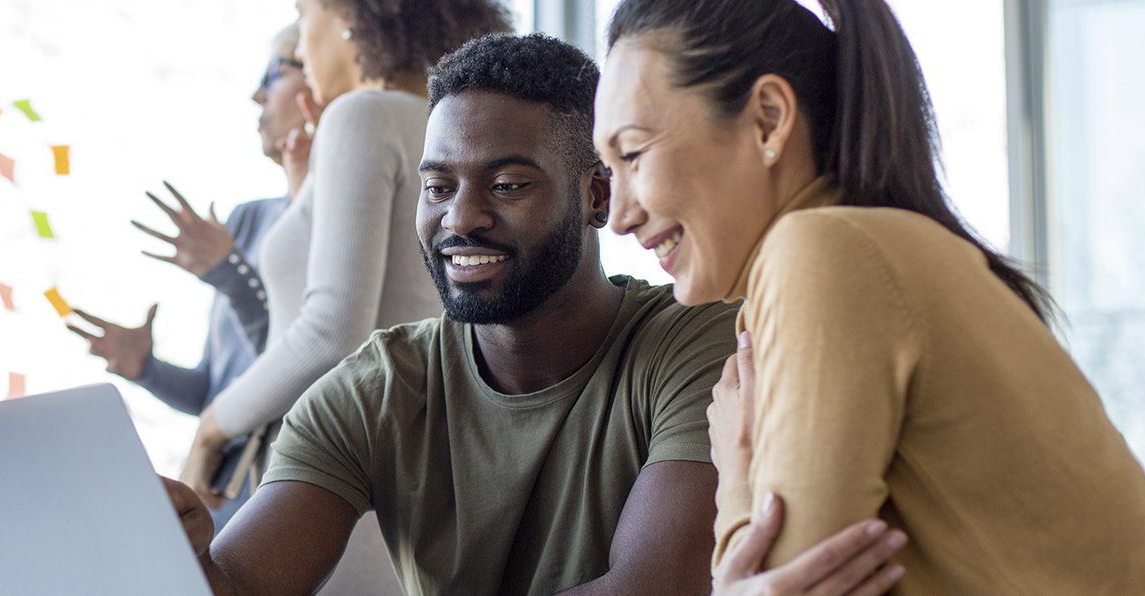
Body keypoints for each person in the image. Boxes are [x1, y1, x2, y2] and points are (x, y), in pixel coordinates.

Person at [165, 33, 909, 596]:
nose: (462, 218)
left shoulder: (699, 340)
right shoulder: (377, 386)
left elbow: (647, 590)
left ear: (596, 195)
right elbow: (242, 586)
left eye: (508, 184)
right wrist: (184, 553)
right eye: (437, 187)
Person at [596, 0, 1145, 594]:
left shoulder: (822, 252)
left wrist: (737, 470)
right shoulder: (873, 247)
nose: (620, 216)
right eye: (609, 171)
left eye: (633, 153)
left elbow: (783, 580)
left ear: (767, 120)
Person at [179, 0, 513, 592]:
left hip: (333, 491)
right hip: (418, 484)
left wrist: (212, 424)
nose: (301, 38)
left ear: (353, 8)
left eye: (304, 12)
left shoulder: (361, 117)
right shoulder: (447, 125)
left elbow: (333, 328)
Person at [66, 23, 313, 530]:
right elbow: (215, 391)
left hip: (282, 488)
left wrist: (230, 275)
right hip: (221, 492)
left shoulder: (340, 226)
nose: (256, 93)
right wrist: (147, 369)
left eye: (274, 71)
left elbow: (304, 359)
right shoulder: (245, 220)